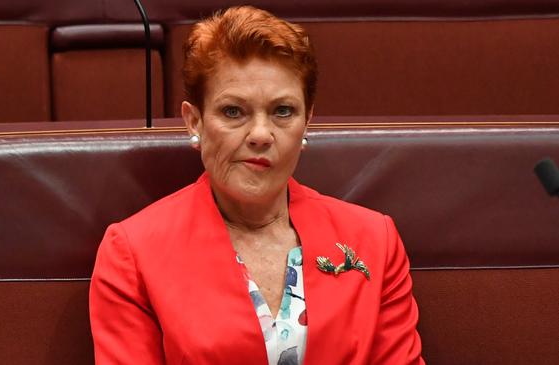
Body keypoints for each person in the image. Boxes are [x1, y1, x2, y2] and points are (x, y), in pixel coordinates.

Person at [89, 5, 424, 365]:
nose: (261, 134)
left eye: (283, 111)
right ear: (194, 121)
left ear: (307, 120)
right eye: (234, 111)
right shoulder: (133, 255)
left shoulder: (373, 240)